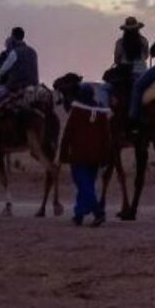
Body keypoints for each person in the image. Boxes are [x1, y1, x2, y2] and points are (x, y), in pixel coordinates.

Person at [59, 82, 111, 226]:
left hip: (79, 155)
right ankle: (79, 213)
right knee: (87, 184)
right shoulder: (101, 112)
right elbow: (106, 136)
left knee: (83, 185)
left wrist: (63, 153)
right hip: (96, 156)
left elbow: (68, 133)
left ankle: (98, 212)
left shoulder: (77, 111)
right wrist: (106, 156)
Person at [0, 26, 40, 135]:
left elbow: (2, 71)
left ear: (13, 37)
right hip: (34, 84)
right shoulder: (33, 51)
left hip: (16, 85)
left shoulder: (14, 52)